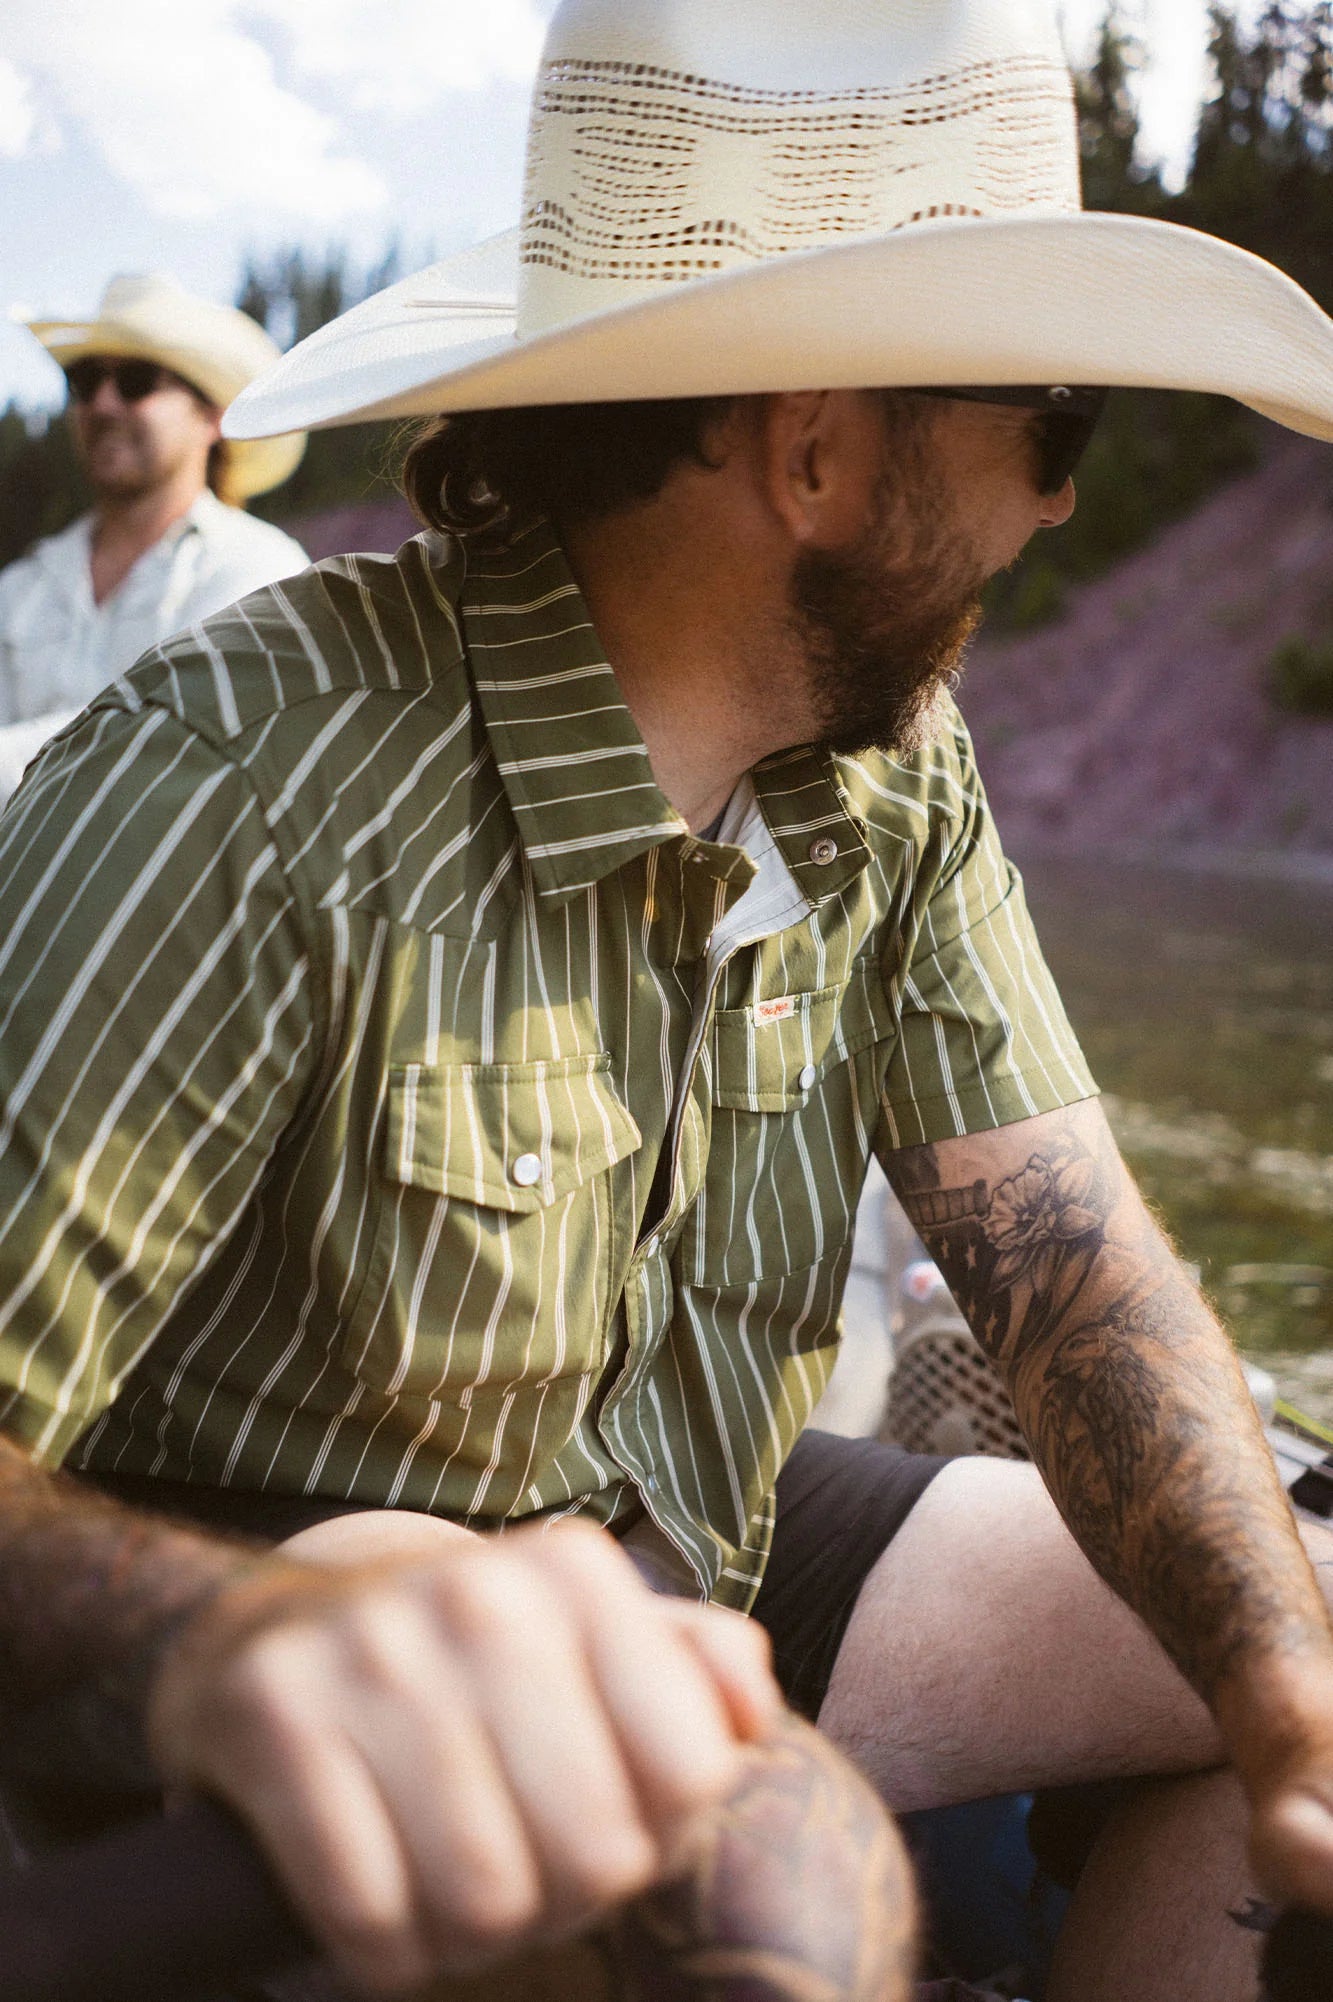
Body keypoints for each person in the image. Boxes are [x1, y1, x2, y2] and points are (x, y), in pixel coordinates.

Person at [1, 2, 1333, 1997]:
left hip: (691, 1532)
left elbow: (1066, 1265)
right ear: (815, 444)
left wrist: (1275, 1675)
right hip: (305, 1589)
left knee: (1307, 1623)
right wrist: (219, 1637)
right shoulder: (241, 777)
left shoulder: (897, 774)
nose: (1059, 500)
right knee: (751, 1850)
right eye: (1049, 421)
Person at [0, 273, 308, 800]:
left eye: (138, 381)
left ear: (213, 417)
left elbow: (173, 748)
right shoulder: (20, 586)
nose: (101, 404)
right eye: (85, 381)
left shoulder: (260, 572)